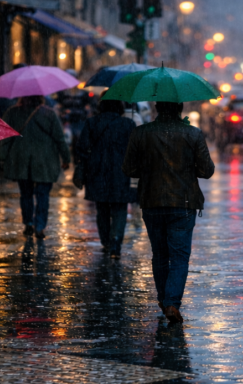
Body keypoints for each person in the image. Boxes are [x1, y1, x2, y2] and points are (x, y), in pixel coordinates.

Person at [123, 101, 215, 323]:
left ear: (157, 108)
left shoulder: (141, 133)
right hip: (183, 202)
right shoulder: (193, 133)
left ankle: (165, 300)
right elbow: (207, 170)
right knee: (180, 256)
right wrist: (186, 167)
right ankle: (172, 302)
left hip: (152, 200)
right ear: (179, 109)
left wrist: (151, 168)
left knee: (160, 254)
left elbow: (129, 168)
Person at [0, 95, 71, 239]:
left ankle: (28, 222)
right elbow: (59, 138)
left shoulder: (12, 112)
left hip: (21, 160)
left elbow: (5, 136)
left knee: (26, 194)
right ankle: (40, 226)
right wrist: (66, 158)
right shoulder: (49, 113)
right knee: (43, 195)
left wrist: (2, 156)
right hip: (45, 161)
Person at [75, 99, 137, 258]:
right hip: (121, 173)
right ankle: (116, 241)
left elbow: (82, 148)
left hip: (97, 172)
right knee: (120, 209)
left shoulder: (92, 123)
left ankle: (106, 241)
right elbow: (136, 149)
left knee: (102, 208)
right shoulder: (128, 124)